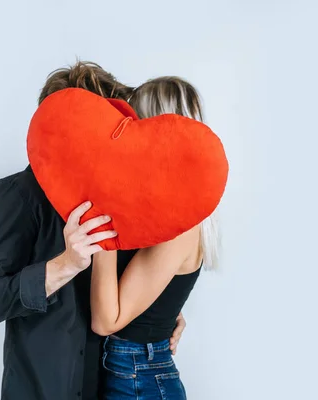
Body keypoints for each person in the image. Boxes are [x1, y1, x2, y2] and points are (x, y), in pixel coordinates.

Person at [0, 63, 186, 400]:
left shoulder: (116, 198)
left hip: (114, 388)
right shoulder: (16, 196)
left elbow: (125, 280)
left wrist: (163, 314)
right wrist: (65, 265)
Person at [90, 77, 220, 400]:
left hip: (139, 379)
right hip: (131, 372)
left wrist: (102, 213)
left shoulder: (182, 223)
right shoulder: (164, 213)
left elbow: (107, 320)